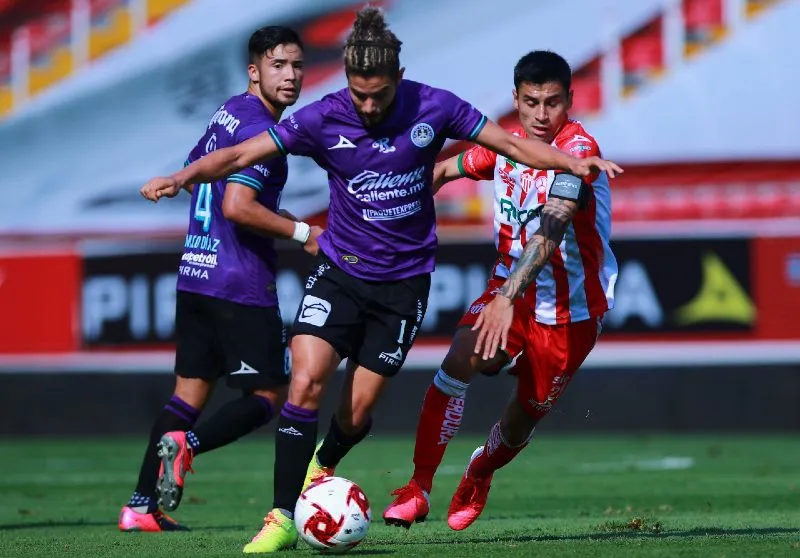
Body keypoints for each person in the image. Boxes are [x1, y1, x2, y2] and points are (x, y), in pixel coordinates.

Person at [140, 9, 622, 552]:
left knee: (362, 411)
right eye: (358, 95)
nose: (368, 107)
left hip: (425, 289)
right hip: (342, 273)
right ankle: (284, 518)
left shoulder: (436, 107)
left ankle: (371, 467)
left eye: (379, 96)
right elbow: (239, 153)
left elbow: (521, 163)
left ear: (399, 78)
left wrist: (571, 163)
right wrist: (182, 176)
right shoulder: (323, 116)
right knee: (305, 383)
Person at [382, 50, 618, 532]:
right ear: (517, 98)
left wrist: (507, 297)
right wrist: (386, 209)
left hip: (569, 312)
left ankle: (478, 472)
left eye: (553, 102)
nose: (541, 114)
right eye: (531, 102)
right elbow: (445, 170)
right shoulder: (507, 147)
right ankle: (418, 487)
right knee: (459, 360)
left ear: (570, 100)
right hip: (507, 290)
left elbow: (550, 229)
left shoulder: (576, 153)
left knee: (522, 419)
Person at [119, 26, 317, 533]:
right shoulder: (261, 130)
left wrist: (269, 215)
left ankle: (140, 508)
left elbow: (198, 175)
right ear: (254, 72)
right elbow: (239, 205)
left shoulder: (229, 110)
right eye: (278, 66)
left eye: (296, 65)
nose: (291, 75)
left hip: (195, 273)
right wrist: (302, 232)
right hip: (239, 283)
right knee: (272, 395)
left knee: (187, 396)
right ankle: (191, 447)